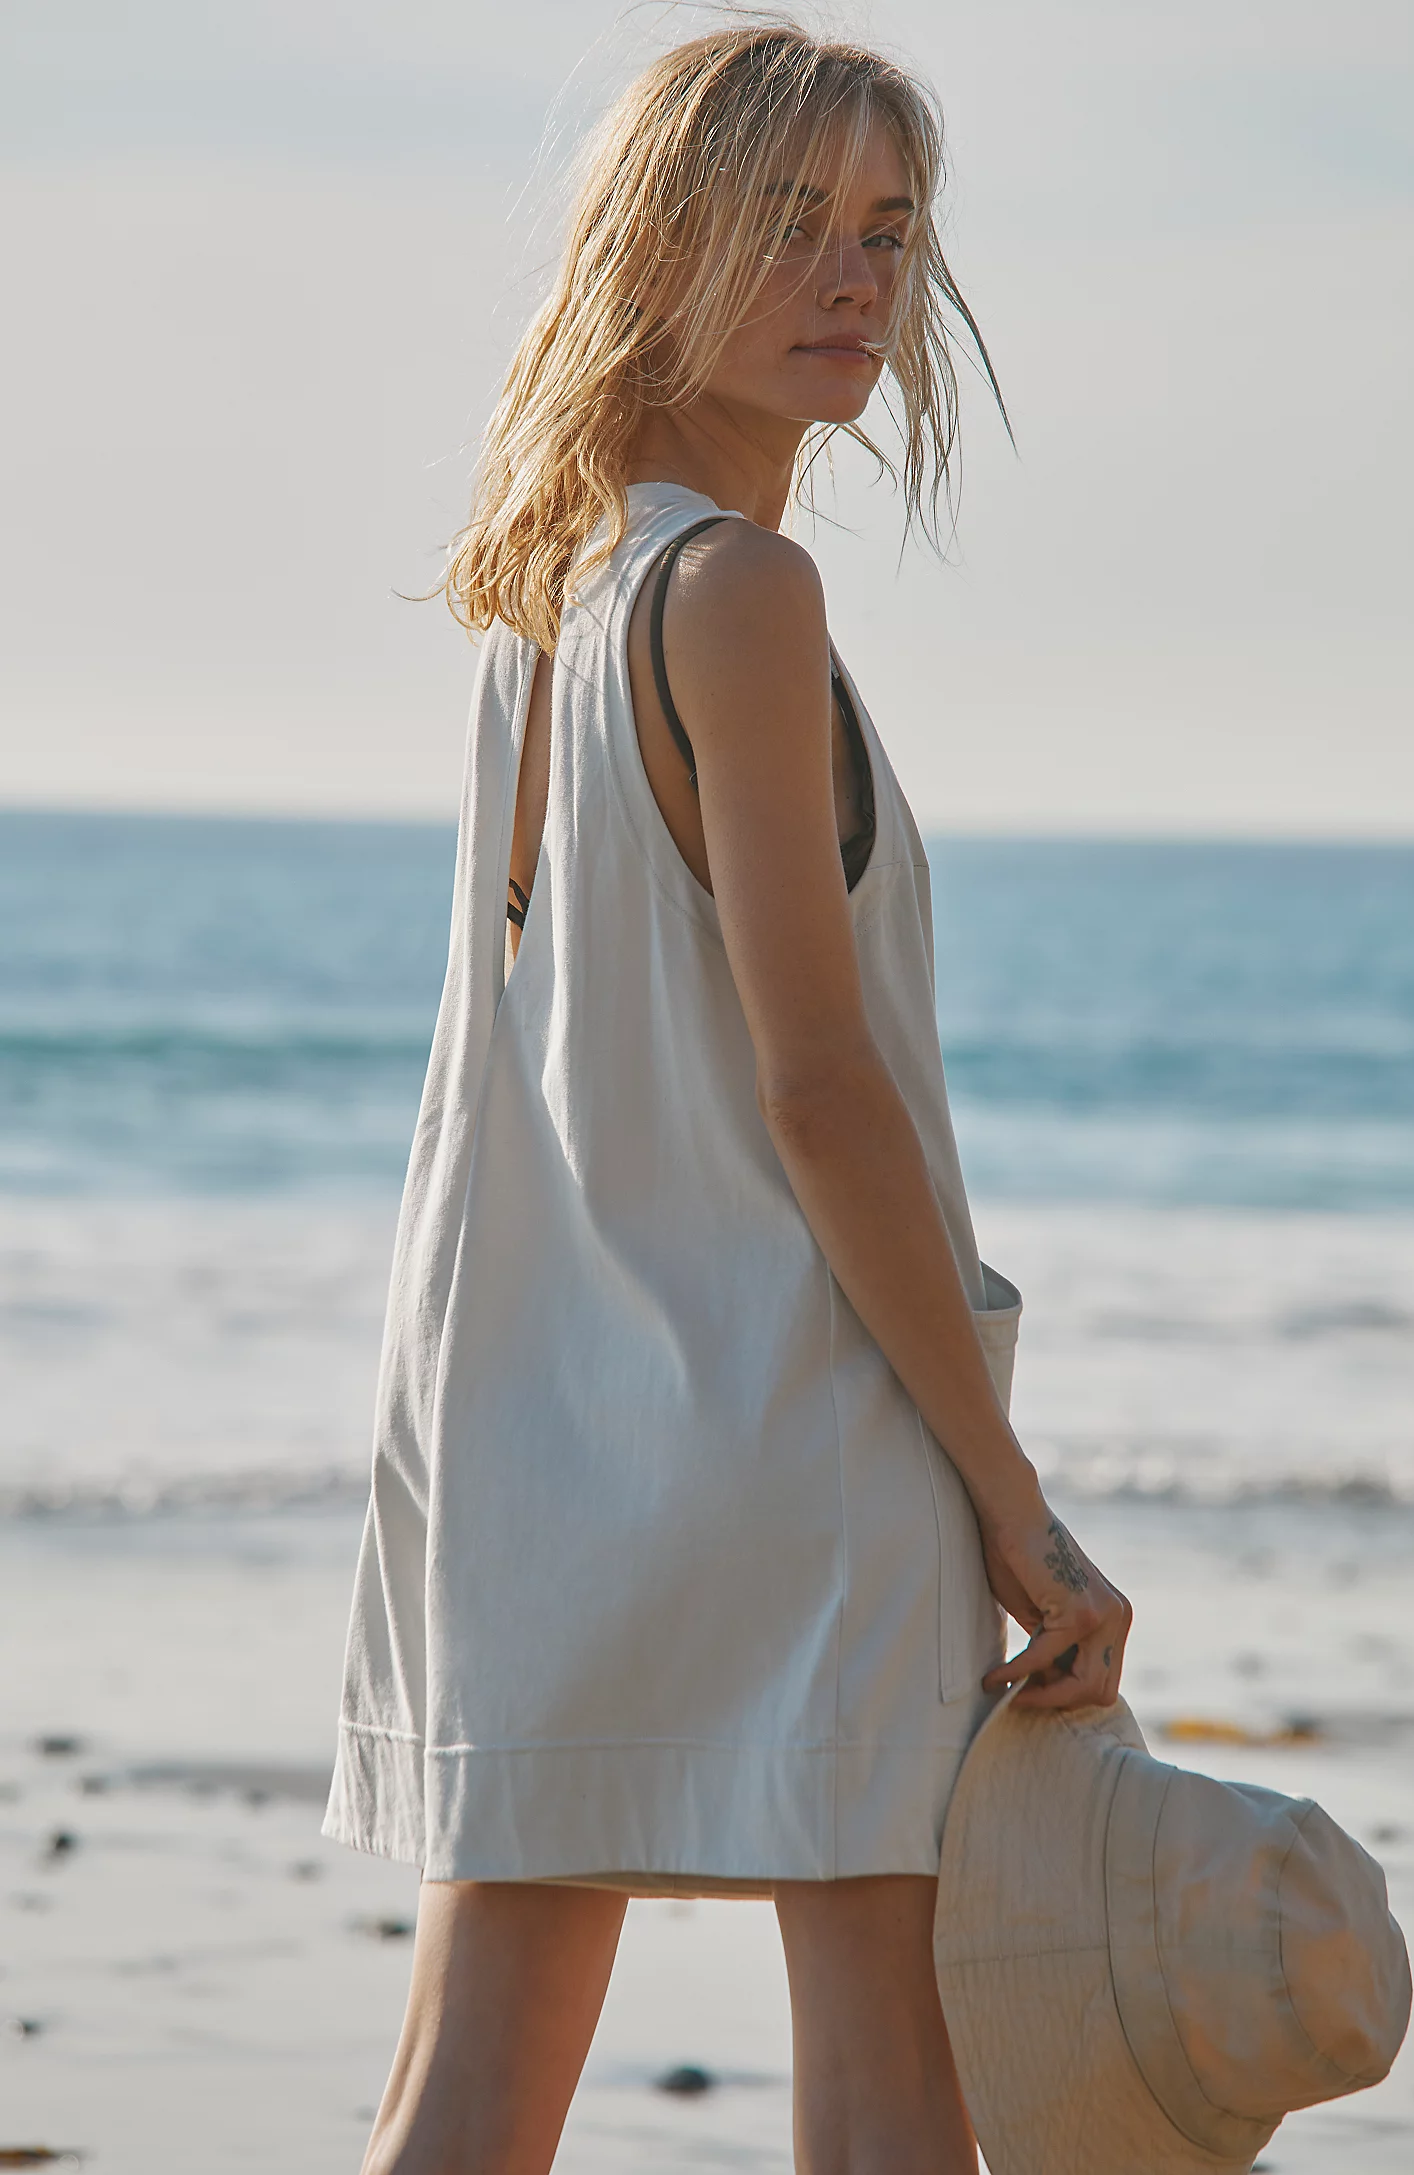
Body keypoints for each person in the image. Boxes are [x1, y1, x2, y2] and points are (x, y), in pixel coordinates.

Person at [323, 21, 1131, 2174]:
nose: (852, 275)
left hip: (530, 1433)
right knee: (889, 2098)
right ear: (654, 248)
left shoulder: (546, 600)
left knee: (457, 2106)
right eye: (788, 222)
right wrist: (1007, 1497)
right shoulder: (739, 590)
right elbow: (817, 1086)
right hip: (793, 1428)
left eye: (887, 229)